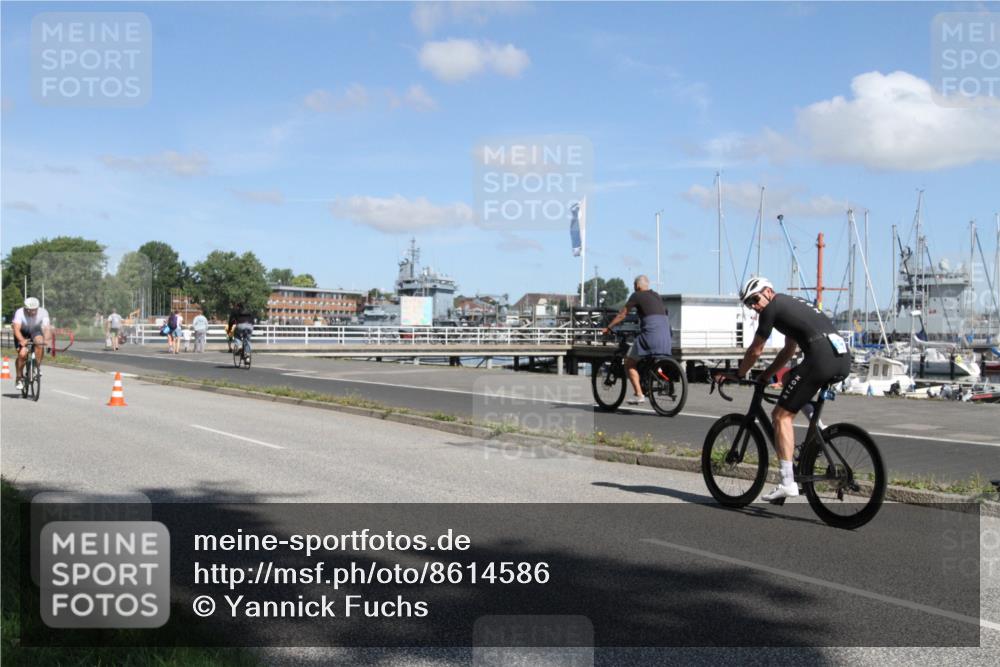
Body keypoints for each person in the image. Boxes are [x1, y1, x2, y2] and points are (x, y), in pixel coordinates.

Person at [716, 276, 851, 502]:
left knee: (780, 416)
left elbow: (755, 350)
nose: (754, 306)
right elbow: (789, 350)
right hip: (842, 358)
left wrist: (740, 374)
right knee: (789, 376)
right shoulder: (790, 304)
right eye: (749, 304)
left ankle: (788, 482)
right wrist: (767, 375)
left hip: (821, 358)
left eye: (755, 299)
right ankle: (819, 432)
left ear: (768, 291)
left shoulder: (772, 309)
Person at [601, 275, 672, 404]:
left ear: (638, 286)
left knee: (629, 363)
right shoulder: (656, 295)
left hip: (651, 336)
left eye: (634, 286)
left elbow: (623, 314)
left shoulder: (637, 295)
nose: (633, 288)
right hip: (666, 337)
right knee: (650, 361)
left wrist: (609, 327)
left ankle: (639, 395)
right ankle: (651, 382)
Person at [12, 297, 51, 391]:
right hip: (22, 332)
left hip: (35, 330)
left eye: (35, 310)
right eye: (31, 310)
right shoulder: (19, 312)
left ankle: (36, 367)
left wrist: (47, 340)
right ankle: (18, 378)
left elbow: (46, 328)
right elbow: (16, 329)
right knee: (22, 354)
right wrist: (21, 340)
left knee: (40, 342)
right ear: (26, 309)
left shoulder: (43, 312)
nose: (33, 312)